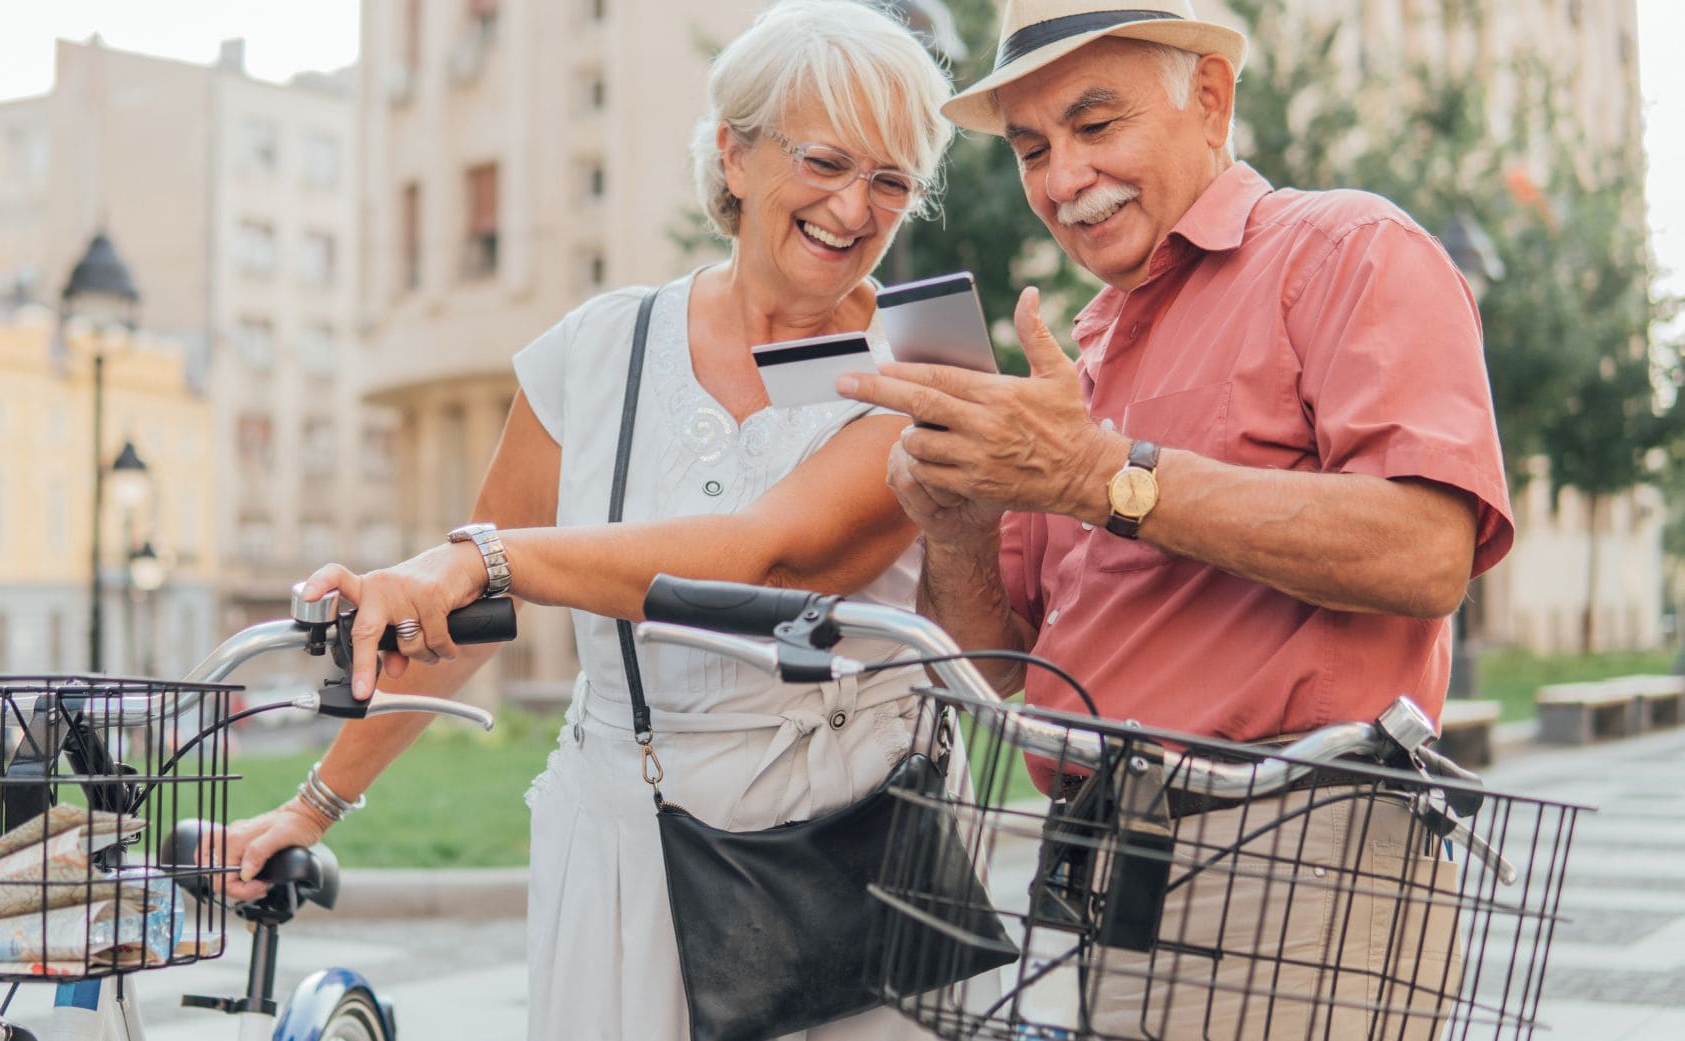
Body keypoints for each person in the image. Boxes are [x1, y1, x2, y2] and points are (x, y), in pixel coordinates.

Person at [216, 3, 955, 1039]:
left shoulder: (922, 368)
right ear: (734, 156)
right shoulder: (596, 349)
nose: (853, 206)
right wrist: (313, 804)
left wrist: (477, 560)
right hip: (623, 844)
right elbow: (468, 623)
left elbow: (766, 561)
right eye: (826, 161)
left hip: (847, 847)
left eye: (890, 180)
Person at [838, 1, 1513, 1038]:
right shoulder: (1087, 347)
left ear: (1207, 98)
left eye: (1094, 125)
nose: (1060, 180)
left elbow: (1427, 552)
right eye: (1031, 148)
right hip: (1099, 865)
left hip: (1295, 853)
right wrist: (958, 527)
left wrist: (1103, 478)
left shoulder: (1342, 249)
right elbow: (1008, 677)